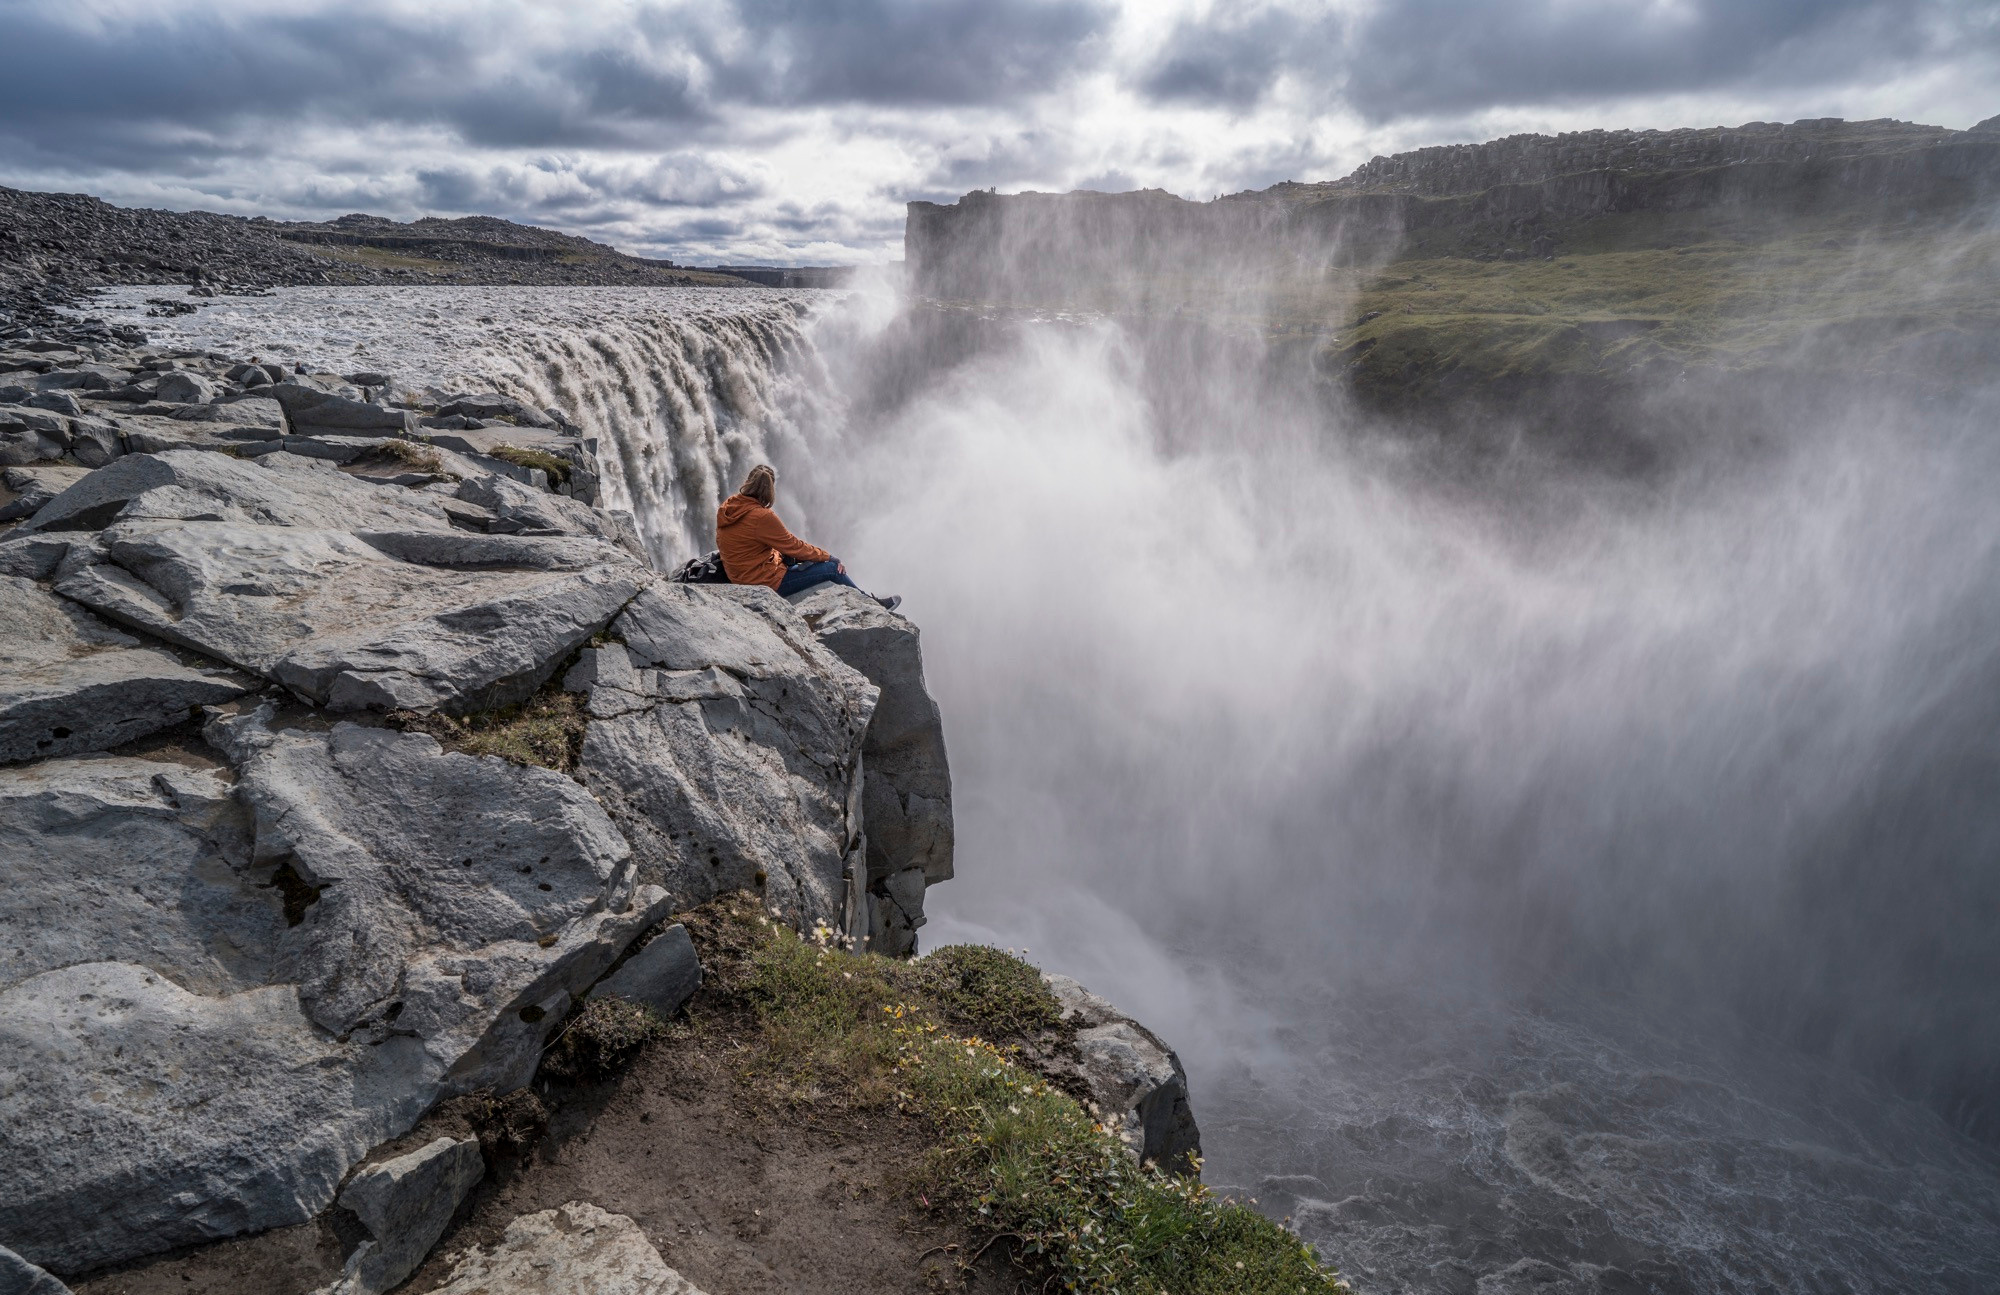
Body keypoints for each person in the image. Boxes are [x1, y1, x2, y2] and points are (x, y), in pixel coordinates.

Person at [715, 464, 901, 610]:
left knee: (800, 561)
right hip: (762, 582)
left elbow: (749, 543)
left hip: (739, 576)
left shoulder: (729, 507)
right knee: (832, 569)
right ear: (770, 490)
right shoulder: (762, 517)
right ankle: (872, 605)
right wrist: (828, 556)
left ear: (748, 482)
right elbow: (794, 545)